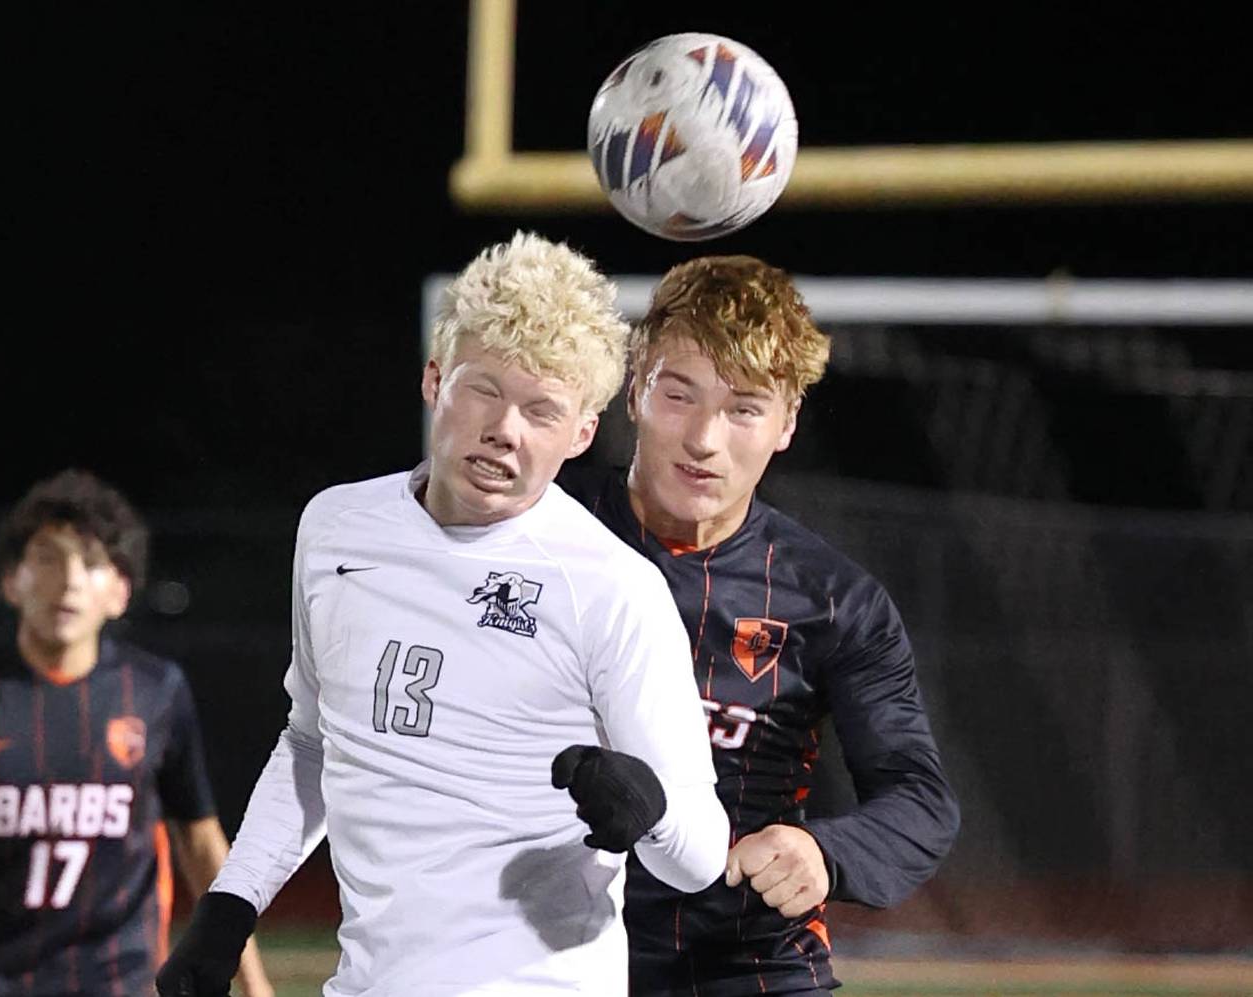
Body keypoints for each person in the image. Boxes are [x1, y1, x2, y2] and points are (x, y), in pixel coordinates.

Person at [157, 232, 730, 996]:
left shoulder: (612, 587)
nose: (506, 429)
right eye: (484, 388)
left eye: (543, 408)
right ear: (435, 378)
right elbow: (312, 744)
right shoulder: (336, 529)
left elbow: (699, 852)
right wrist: (231, 904)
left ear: (583, 433)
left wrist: (647, 811)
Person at [561, 256, 961, 996]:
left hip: (743, 964)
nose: (705, 438)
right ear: (634, 389)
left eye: (744, 407)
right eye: (678, 394)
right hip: (536, 951)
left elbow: (919, 800)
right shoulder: (542, 539)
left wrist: (822, 850)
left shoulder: (834, 601)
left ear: (787, 423)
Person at [0, 470, 272, 997]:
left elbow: (200, 840)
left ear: (121, 592)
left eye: (92, 561)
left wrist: (254, 981)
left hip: (121, 984)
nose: (70, 579)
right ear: (12, 581)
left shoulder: (156, 692)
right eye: (49, 557)